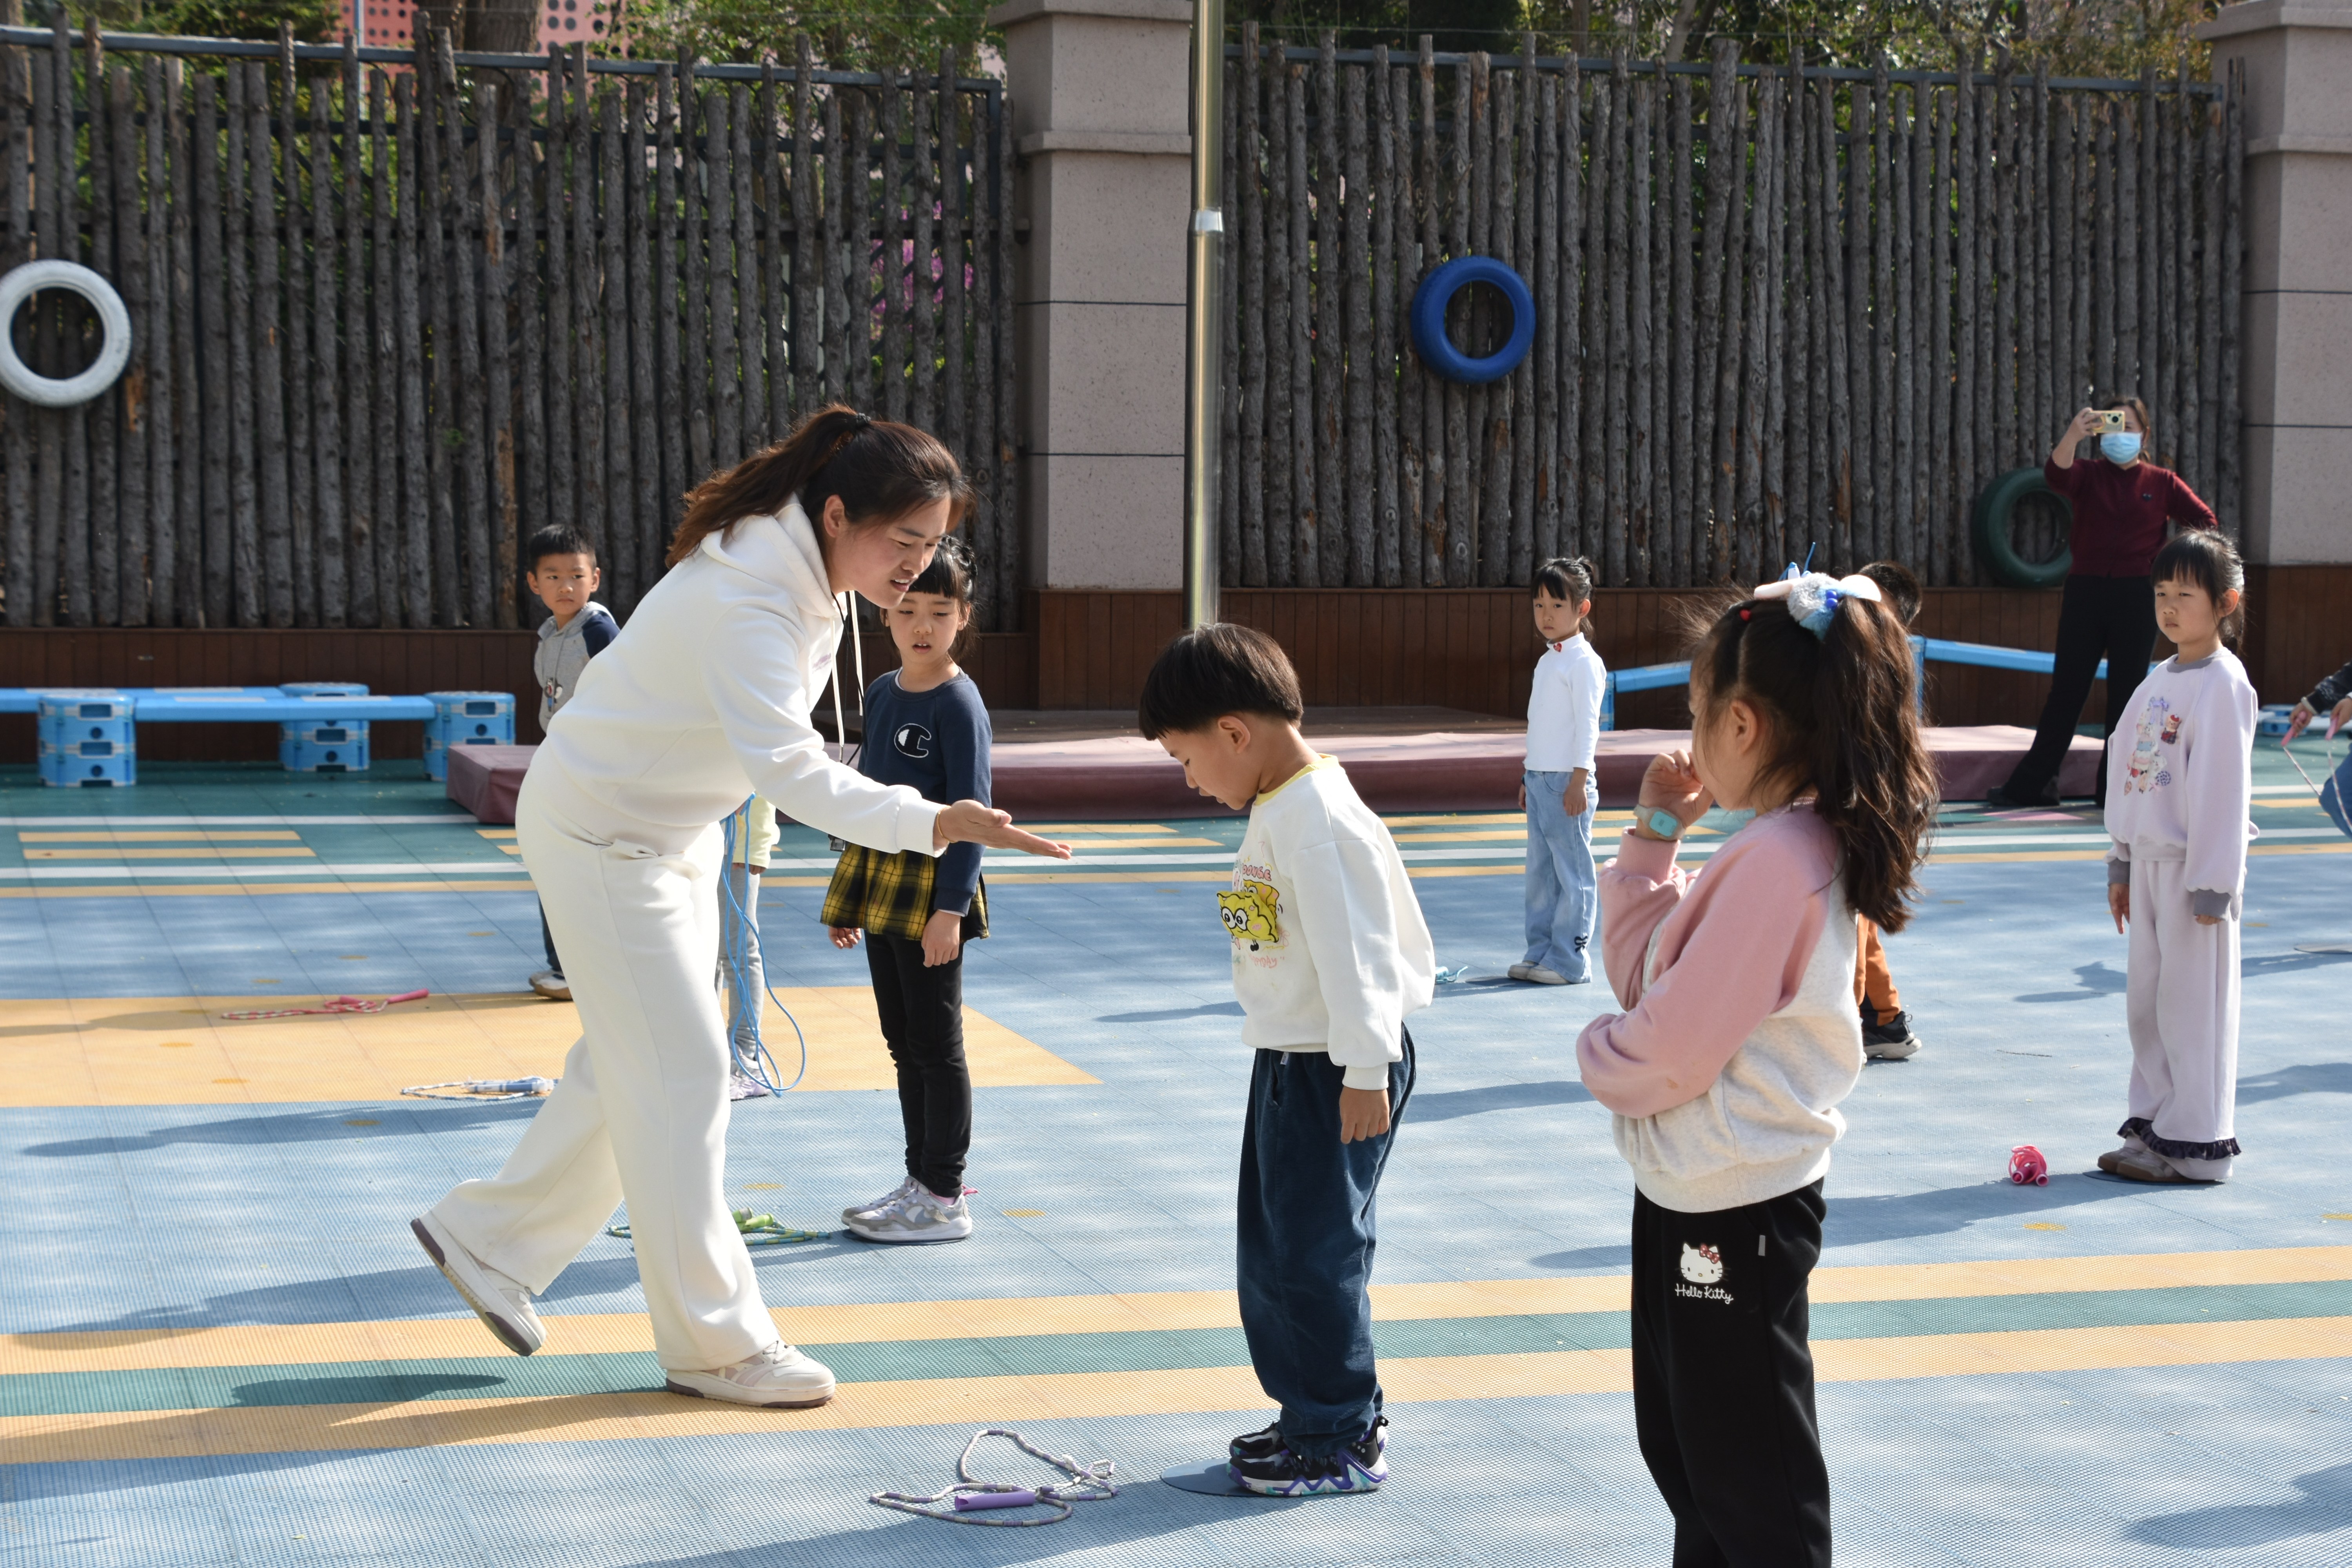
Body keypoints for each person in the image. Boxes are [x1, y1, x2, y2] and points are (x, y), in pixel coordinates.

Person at [408, 407, 1069, 1412]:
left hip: (668, 834)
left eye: (932, 546)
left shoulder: (807, 571)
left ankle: (489, 1239)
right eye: (903, 542)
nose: (916, 568)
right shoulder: (754, 595)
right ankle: (716, 1345)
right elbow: (793, 773)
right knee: (680, 1078)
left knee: (638, 1063)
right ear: (838, 512)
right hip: (600, 836)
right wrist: (937, 821)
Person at [1576, 572, 1937, 1566]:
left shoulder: (1780, 859)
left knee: (1747, 1477)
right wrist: (1654, 837)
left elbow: (1669, 1040)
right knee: (1697, 1453)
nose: (1686, 741)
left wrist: (1593, 1058)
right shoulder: (1768, 849)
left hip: (1734, 1202)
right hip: (1701, 1189)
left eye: (1695, 716)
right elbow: (1649, 972)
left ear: (1742, 723)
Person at [1141, 624, 1435, 1497]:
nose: (1190, 781)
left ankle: (1341, 1435)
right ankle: (1312, 1413)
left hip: (1334, 1066)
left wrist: (1365, 1070)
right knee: (1275, 1251)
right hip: (1293, 1057)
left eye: (1186, 759)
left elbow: (1361, 956)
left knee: (1314, 1254)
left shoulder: (1317, 819)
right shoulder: (1286, 801)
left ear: (1235, 731)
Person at [826, 543, 992, 1243]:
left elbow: (974, 812)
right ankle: (917, 1182)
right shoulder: (883, 690)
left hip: (932, 887)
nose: (921, 625)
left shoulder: (959, 702)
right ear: (882, 611)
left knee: (935, 1042)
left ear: (963, 617)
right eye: (907, 610)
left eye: (940, 612)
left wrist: (950, 909)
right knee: (902, 1042)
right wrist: (847, 899)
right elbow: (865, 799)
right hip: (881, 878)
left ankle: (944, 1195)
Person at [2100, 530, 2255, 1184]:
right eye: (2161, 594)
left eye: (2185, 595)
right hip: (2152, 867)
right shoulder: (2159, 678)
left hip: (2196, 876)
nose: (2169, 608)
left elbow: (2223, 787)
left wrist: (2214, 885)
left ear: (2225, 602)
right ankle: (2154, 1128)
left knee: (2195, 1007)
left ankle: (2196, 1145)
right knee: (2150, 1004)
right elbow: (2123, 762)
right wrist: (2121, 861)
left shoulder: (2223, 683)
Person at [1988, 397, 2217, 809]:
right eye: (2112, 427)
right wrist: (2074, 433)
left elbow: (2206, 521)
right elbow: (2056, 475)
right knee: (2067, 690)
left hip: (2138, 595)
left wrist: (2172, 569)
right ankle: (2035, 785)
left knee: (2127, 694)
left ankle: (2112, 790)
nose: (2120, 435)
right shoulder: (2090, 475)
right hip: (2086, 591)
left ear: (2144, 435)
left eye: (2128, 427)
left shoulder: (2161, 481)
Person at [523, 528, 619, 1003]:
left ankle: (578, 967)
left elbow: (623, 692)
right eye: (553, 576)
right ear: (533, 583)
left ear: (595, 578)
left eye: (576, 576)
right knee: (551, 859)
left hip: (594, 767)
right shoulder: (549, 636)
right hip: (563, 760)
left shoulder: (599, 630)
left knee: (577, 863)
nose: (565, 586)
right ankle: (564, 964)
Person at [1514, 556, 1605, 986]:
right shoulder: (1549, 659)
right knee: (1541, 874)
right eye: (1538, 605)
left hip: (1568, 782)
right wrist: (1527, 775)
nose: (1546, 615)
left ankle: (1571, 959)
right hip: (1540, 779)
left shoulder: (1583, 662)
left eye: (1557, 605)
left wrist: (1577, 779)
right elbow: (1542, 722)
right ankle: (1540, 951)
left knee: (1572, 872)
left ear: (1582, 609)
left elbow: (1589, 725)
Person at [1853, 559, 1927, 1061]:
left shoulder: (1878, 662)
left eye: (1867, 597)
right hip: (1862, 797)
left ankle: (1840, 1017)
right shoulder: (1855, 653)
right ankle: (1884, 1019)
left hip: (1867, 800)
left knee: (1849, 913)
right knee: (1860, 911)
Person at [716, 795, 779, 1100]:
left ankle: (748, 1062)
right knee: (703, 951)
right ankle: (711, 1055)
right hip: (694, 839)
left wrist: (756, 845)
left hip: (737, 840)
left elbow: (766, 770)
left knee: (737, 948)